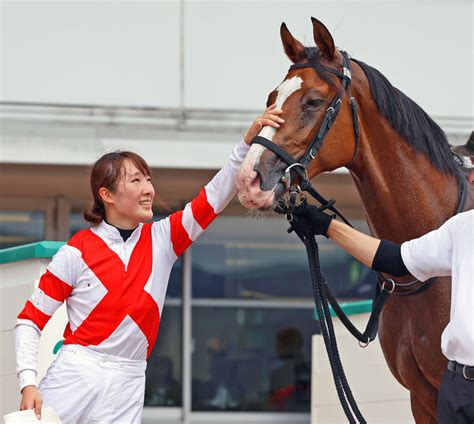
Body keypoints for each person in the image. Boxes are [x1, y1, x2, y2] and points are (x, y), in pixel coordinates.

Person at [15, 105, 284, 423]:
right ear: (107, 195)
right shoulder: (77, 251)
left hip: (131, 378)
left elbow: (213, 197)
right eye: (136, 181)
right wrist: (28, 383)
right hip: (78, 371)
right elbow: (29, 321)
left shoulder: (164, 239)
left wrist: (245, 145)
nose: (149, 190)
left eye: (149, 179)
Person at [290, 192, 473, 423]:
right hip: (459, 389)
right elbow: (396, 259)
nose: (472, 177)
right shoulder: (463, 228)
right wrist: (327, 226)